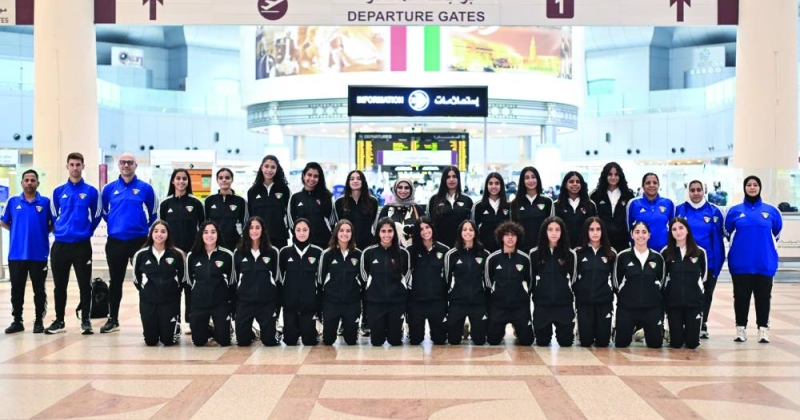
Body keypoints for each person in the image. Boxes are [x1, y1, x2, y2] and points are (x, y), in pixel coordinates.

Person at [101, 153, 158, 333]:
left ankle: (150, 318)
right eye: (123, 162)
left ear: (135, 165)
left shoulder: (146, 188)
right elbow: (103, 212)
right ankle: (113, 319)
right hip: (115, 242)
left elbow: (154, 213)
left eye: (130, 162)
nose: (126, 165)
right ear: (118, 165)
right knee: (115, 281)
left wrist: (142, 228)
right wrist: (116, 225)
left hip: (139, 242)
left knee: (143, 280)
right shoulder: (109, 189)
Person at [47, 153, 102, 335]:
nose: (75, 168)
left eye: (78, 164)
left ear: (83, 166)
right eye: (72, 164)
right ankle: (59, 320)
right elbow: (54, 214)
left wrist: (87, 231)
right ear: (67, 167)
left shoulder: (91, 191)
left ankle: (85, 320)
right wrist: (62, 229)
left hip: (81, 245)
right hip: (60, 245)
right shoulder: (58, 191)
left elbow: (97, 214)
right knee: (59, 285)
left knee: (84, 285)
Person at [725, 175, 782, 343]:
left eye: (755, 184)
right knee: (740, 297)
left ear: (760, 187)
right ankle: (740, 329)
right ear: (744, 188)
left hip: (764, 262)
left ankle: (763, 329)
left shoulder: (771, 211)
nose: (752, 187)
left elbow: (776, 233)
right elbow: (728, 232)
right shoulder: (734, 211)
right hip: (740, 263)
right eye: (749, 185)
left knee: (763, 297)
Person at [1, 170, 53, 334]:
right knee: (16, 289)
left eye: (32, 180)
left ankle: (39, 321)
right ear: (22, 183)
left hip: (39, 254)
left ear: (38, 183)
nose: (29, 183)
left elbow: (53, 223)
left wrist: (42, 233)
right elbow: (4, 221)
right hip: (16, 254)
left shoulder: (45, 202)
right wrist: (17, 231)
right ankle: (17, 321)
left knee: (39, 290)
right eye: (26, 180)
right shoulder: (12, 201)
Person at [675, 180, 725, 339]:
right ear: (688, 191)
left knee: (706, 294)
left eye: (699, 190)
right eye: (693, 190)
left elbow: (718, 238)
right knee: (684, 293)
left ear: (704, 191)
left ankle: (702, 323)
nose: (696, 193)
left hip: (708, 262)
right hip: (684, 262)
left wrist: (717, 263)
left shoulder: (714, 211)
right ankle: (683, 324)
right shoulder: (679, 210)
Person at [158, 169, 204, 334]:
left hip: (192, 254)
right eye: (178, 178)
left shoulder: (196, 203)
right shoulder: (165, 204)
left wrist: (196, 251)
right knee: (173, 288)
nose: (181, 181)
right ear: (172, 181)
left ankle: (191, 321)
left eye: (184, 179)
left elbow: (202, 229)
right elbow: (161, 231)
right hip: (172, 254)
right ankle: (174, 322)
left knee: (190, 288)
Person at [132, 221, 186, 346]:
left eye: (163, 231)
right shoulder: (141, 255)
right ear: (151, 234)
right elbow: (136, 279)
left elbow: (183, 278)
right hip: (148, 302)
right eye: (156, 231)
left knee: (168, 341)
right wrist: (147, 290)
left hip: (170, 302)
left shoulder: (177, 254)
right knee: (150, 341)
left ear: (168, 234)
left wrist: (173, 290)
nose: (159, 234)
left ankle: (175, 328)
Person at [613, 221, 666, 349]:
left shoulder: (658, 258)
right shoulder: (622, 256)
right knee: (621, 344)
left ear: (649, 235)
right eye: (637, 232)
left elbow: (662, 282)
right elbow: (616, 282)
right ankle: (623, 328)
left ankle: (646, 329)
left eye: (644, 232)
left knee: (655, 344)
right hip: (627, 308)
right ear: (632, 235)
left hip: (651, 308)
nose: (640, 235)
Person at [360, 218, 410, 346]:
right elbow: (364, 276)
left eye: (390, 231)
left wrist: (398, 291)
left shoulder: (403, 253)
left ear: (394, 232)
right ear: (378, 232)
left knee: (395, 341)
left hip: (396, 303)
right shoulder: (369, 252)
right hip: (376, 303)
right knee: (377, 341)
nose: (386, 235)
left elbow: (407, 275)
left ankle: (397, 328)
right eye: (383, 231)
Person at [186, 221, 235, 346]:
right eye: (206, 232)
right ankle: (209, 328)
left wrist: (231, 307)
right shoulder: (192, 255)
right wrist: (190, 310)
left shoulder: (227, 255)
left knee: (224, 341)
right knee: (198, 342)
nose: (209, 235)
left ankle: (223, 328)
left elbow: (232, 282)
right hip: (199, 304)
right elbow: (189, 283)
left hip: (220, 304)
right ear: (201, 235)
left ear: (218, 234)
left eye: (213, 232)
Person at [485, 221, 535, 346]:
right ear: (501, 237)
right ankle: (499, 328)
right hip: (499, 306)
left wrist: (523, 297)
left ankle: (518, 329)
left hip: (519, 307)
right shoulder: (492, 258)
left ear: (518, 237)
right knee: (492, 340)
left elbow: (530, 282)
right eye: (507, 234)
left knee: (527, 341)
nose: (510, 237)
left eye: (513, 235)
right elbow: (487, 282)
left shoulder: (524, 258)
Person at [530, 216, 577, 347]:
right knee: (542, 342)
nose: (554, 233)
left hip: (563, 305)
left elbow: (574, 281)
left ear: (562, 232)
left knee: (566, 342)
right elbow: (531, 281)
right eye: (550, 229)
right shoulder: (534, 254)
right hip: (542, 306)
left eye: (557, 229)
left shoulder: (570, 254)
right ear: (544, 232)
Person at [233, 216, 280, 347]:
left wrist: (276, 305)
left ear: (262, 230)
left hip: (266, 303)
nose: (254, 231)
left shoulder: (273, 252)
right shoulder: (238, 252)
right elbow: (235, 279)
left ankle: (275, 331)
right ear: (247, 230)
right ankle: (252, 332)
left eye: (257, 227)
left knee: (269, 341)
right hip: (245, 302)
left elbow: (277, 279)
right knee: (242, 342)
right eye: (251, 228)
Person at [662, 217, 707, 349]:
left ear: (687, 230)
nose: (678, 232)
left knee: (692, 344)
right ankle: (667, 331)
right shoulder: (666, 253)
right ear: (671, 233)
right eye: (674, 229)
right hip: (673, 304)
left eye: (681, 228)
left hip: (694, 304)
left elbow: (704, 277)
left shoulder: (700, 252)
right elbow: (663, 278)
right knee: (676, 343)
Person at [445, 220, 490, 345]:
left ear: (475, 233)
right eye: (464, 229)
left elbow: (488, 281)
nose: (468, 232)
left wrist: (486, 302)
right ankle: (462, 326)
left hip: (478, 303)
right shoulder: (451, 254)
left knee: (479, 341)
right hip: (457, 302)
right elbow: (446, 281)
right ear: (460, 233)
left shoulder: (484, 254)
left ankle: (473, 326)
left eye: (471, 229)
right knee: (453, 341)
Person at [278, 218, 323, 346]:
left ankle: (312, 329)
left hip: (309, 305)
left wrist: (318, 307)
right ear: (294, 232)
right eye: (298, 230)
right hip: (290, 305)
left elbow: (320, 281)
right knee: (290, 341)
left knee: (309, 341)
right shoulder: (285, 252)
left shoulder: (318, 252)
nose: (301, 233)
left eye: (305, 230)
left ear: (310, 231)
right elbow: (279, 279)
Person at [318, 220, 363, 345]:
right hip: (332, 303)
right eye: (341, 230)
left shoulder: (358, 254)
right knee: (328, 340)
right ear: (336, 233)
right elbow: (320, 280)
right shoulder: (326, 254)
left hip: (351, 303)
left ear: (352, 234)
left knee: (351, 341)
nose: (345, 233)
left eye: (348, 231)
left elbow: (363, 279)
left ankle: (352, 328)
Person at [573, 217, 616, 347]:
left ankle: (609, 329)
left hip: (604, 302)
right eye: (591, 229)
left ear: (603, 231)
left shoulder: (611, 253)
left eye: (598, 229)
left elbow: (615, 280)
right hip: (584, 302)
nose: (595, 233)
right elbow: (573, 279)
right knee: (586, 342)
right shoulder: (577, 253)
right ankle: (580, 330)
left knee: (603, 342)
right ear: (586, 231)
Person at [406, 217, 449, 345]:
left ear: (432, 228)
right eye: (421, 229)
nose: (425, 231)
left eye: (427, 227)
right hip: (417, 302)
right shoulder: (411, 251)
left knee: (440, 340)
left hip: (437, 302)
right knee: (415, 340)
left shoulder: (444, 250)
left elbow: (448, 276)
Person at [247, 155, 291, 249]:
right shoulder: (252, 191)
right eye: (266, 166)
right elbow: (250, 216)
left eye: (273, 167)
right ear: (261, 167)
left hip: (279, 237)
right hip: (258, 238)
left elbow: (289, 213)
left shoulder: (284, 189)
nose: (269, 170)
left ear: (277, 169)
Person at [590, 162, 634, 253]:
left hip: (623, 241)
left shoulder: (628, 195)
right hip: (602, 240)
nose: (613, 177)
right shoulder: (596, 195)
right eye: (610, 174)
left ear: (620, 176)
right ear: (605, 176)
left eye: (616, 174)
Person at [288, 162, 334, 249]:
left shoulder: (326, 197)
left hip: (324, 244)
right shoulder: (295, 197)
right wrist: (300, 237)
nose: (312, 178)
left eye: (315, 176)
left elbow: (332, 221)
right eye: (309, 175)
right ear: (303, 176)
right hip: (302, 245)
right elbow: (291, 223)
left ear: (319, 178)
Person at [626, 173, 674, 252]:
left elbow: (674, 227)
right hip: (641, 251)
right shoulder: (633, 203)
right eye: (648, 183)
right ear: (643, 186)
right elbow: (628, 228)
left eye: (655, 183)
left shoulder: (668, 203)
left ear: (658, 185)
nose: (652, 185)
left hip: (665, 251)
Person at [511, 166, 554, 253]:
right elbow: (513, 228)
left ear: (538, 179)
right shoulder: (515, 203)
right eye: (527, 178)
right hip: (521, 250)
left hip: (543, 249)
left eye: (533, 177)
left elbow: (552, 227)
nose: (531, 180)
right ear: (522, 181)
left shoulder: (547, 201)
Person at [428, 166, 473, 248]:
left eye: (454, 176)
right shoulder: (434, 200)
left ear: (458, 179)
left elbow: (472, 225)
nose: (451, 179)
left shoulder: (467, 200)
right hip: (439, 247)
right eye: (448, 177)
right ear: (444, 179)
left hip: (462, 246)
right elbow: (429, 223)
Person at [204, 168, 248, 250]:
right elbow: (204, 223)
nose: (224, 180)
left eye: (227, 178)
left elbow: (246, 223)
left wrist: (243, 241)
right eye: (221, 178)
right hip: (214, 244)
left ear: (232, 180)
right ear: (217, 180)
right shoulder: (209, 200)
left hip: (235, 245)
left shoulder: (241, 201)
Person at [333, 170, 378, 250]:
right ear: (348, 182)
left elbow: (375, 225)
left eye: (358, 179)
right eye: (352, 179)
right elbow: (336, 225)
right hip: (346, 246)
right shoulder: (339, 202)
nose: (355, 181)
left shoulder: (373, 201)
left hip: (368, 246)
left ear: (363, 181)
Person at [375, 178, 424, 248]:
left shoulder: (418, 209)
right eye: (400, 187)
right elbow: (378, 233)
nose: (403, 191)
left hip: (415, 251)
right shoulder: (386, 209)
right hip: (390, 251)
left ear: (411, 190)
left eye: (406, 188)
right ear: (395, 189)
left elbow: (425, 231)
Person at [554, 171, 597, 247]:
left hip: (584, 247)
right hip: (563, 247)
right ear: (565, 185)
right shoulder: (556, 205)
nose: (575, 184)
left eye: (578, 182)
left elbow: (594, 227)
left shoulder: (590, 204)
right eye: (571, 182)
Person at [472, 172, 511, 253]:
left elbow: (512, 229)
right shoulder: (478, 206)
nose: (493, 186)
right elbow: (472, 228)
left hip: (504, 251)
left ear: (501, 186)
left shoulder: (509, 206)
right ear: (486, 186)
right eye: (490, 183)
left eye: (497, 183)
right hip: (483, 251)